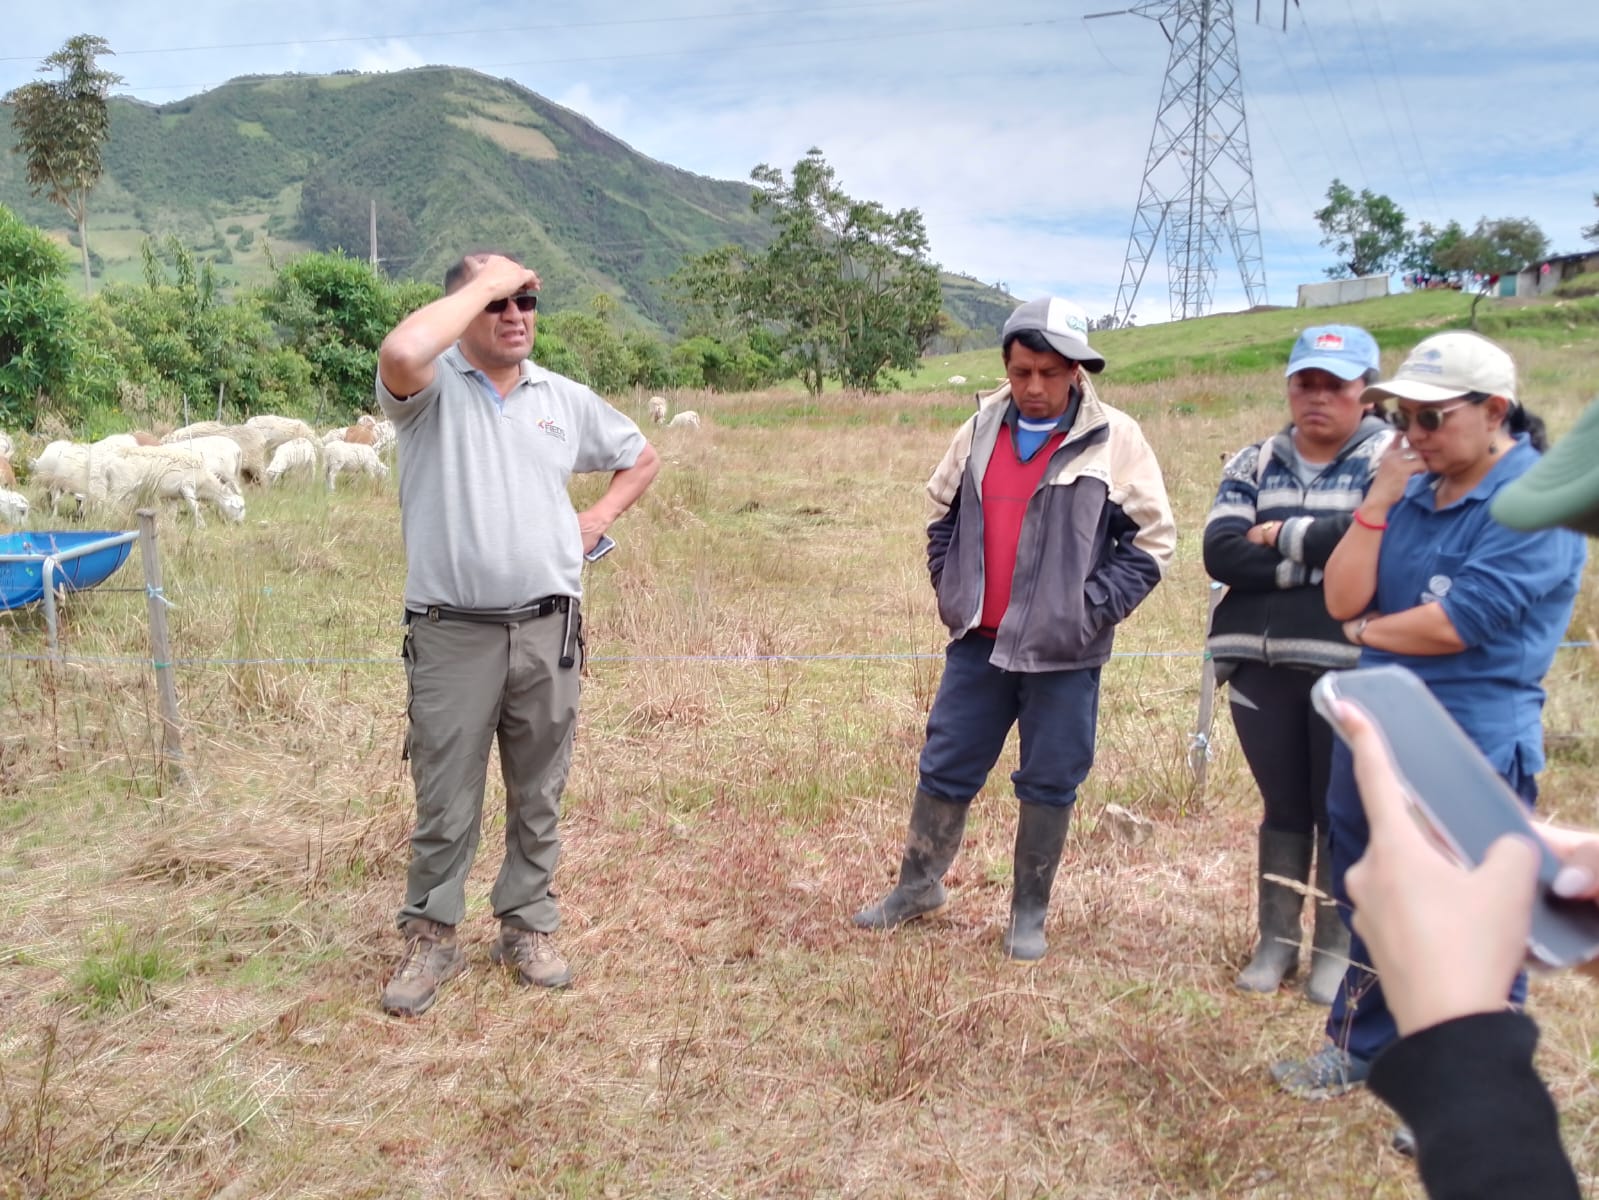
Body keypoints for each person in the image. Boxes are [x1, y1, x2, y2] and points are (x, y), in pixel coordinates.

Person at [1271, 331, 1586, 1106]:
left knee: (1479, 910)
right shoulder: (1410, 488)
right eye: (1400, 418)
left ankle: (1469, 1086)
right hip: (1377, 726)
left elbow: (1455, 624)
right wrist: (1377, 502)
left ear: (1494, 411)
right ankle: (1359, 1046)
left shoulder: (1533, 503)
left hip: (1470, 733)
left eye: (1430, 418)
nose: (1411, 435)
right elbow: (1342, 596)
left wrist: (1367, 632)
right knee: (1371, 891)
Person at [374, 252, 660, 1016]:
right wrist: (484, 282)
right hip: (451, 633)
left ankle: (526, 926)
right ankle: (431, 936)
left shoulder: (559, 398)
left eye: (526, 301)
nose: (515, 315)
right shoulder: (428, 391)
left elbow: (640, 456)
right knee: (445, 798)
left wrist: (598, 516)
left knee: (539, 793)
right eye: (497, 302)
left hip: (547, 631)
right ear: (464, 307)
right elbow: (401, 349)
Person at [852, 297, 1176, 961]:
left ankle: (1028, 915)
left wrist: (1087, 611)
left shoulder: (1114, 439)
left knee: (1051, 778)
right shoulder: (978, 429)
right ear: (1006, 365)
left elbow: (1151, 542)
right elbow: (940, 515)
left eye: (1050, 373)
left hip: (1064, 653)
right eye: (1022, 371)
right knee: (945, 763)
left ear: (1076, 372)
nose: (1034, 386)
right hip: (979, 644)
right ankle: (916, 887)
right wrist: (952, 587)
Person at [1204, 324, 1390, 1004]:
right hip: (1258, 666)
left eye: (1335, 385)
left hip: (1350, 669)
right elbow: (1221, 552)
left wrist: (1279, 536)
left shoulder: (1390, 462)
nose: (1318, 397)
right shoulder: (1253, 461)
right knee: (1282, 806)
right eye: (1304, 383)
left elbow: (1383, 545)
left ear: (1366, 392)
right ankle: (1276, 941)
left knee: (1340, 809)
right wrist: (1322, 565)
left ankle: (1334, 950)